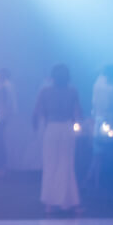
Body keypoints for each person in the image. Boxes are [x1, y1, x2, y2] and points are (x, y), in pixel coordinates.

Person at [33, 64, 82, 214]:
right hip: (67, 129)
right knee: (66, 164)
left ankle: (49, 203)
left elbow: (38, 112)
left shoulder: (45, 92)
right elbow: (78, 113)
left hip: (52, 129)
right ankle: (66, 201)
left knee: (50, 165)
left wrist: (39, 127)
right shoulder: (73, 91)